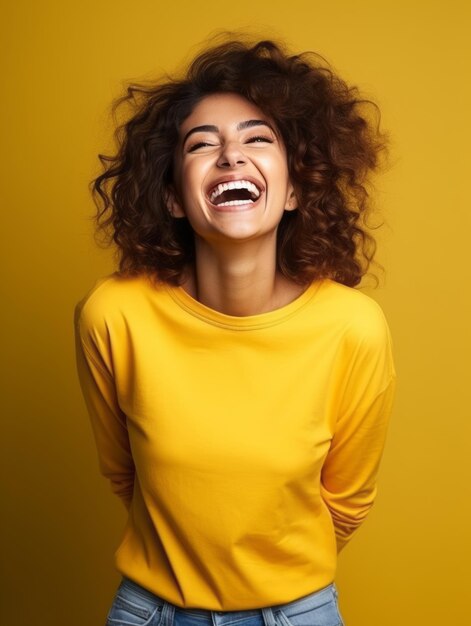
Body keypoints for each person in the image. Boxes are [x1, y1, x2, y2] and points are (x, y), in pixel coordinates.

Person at [75, 37, 395, 626]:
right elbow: (124, 473)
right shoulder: (113, 315)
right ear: (172, 197)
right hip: (152, 612)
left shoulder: (353, 328)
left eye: (257, 139)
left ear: (295, 187)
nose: (231, 156)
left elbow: (347, 505)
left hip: (298, 614)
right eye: (203, 144)